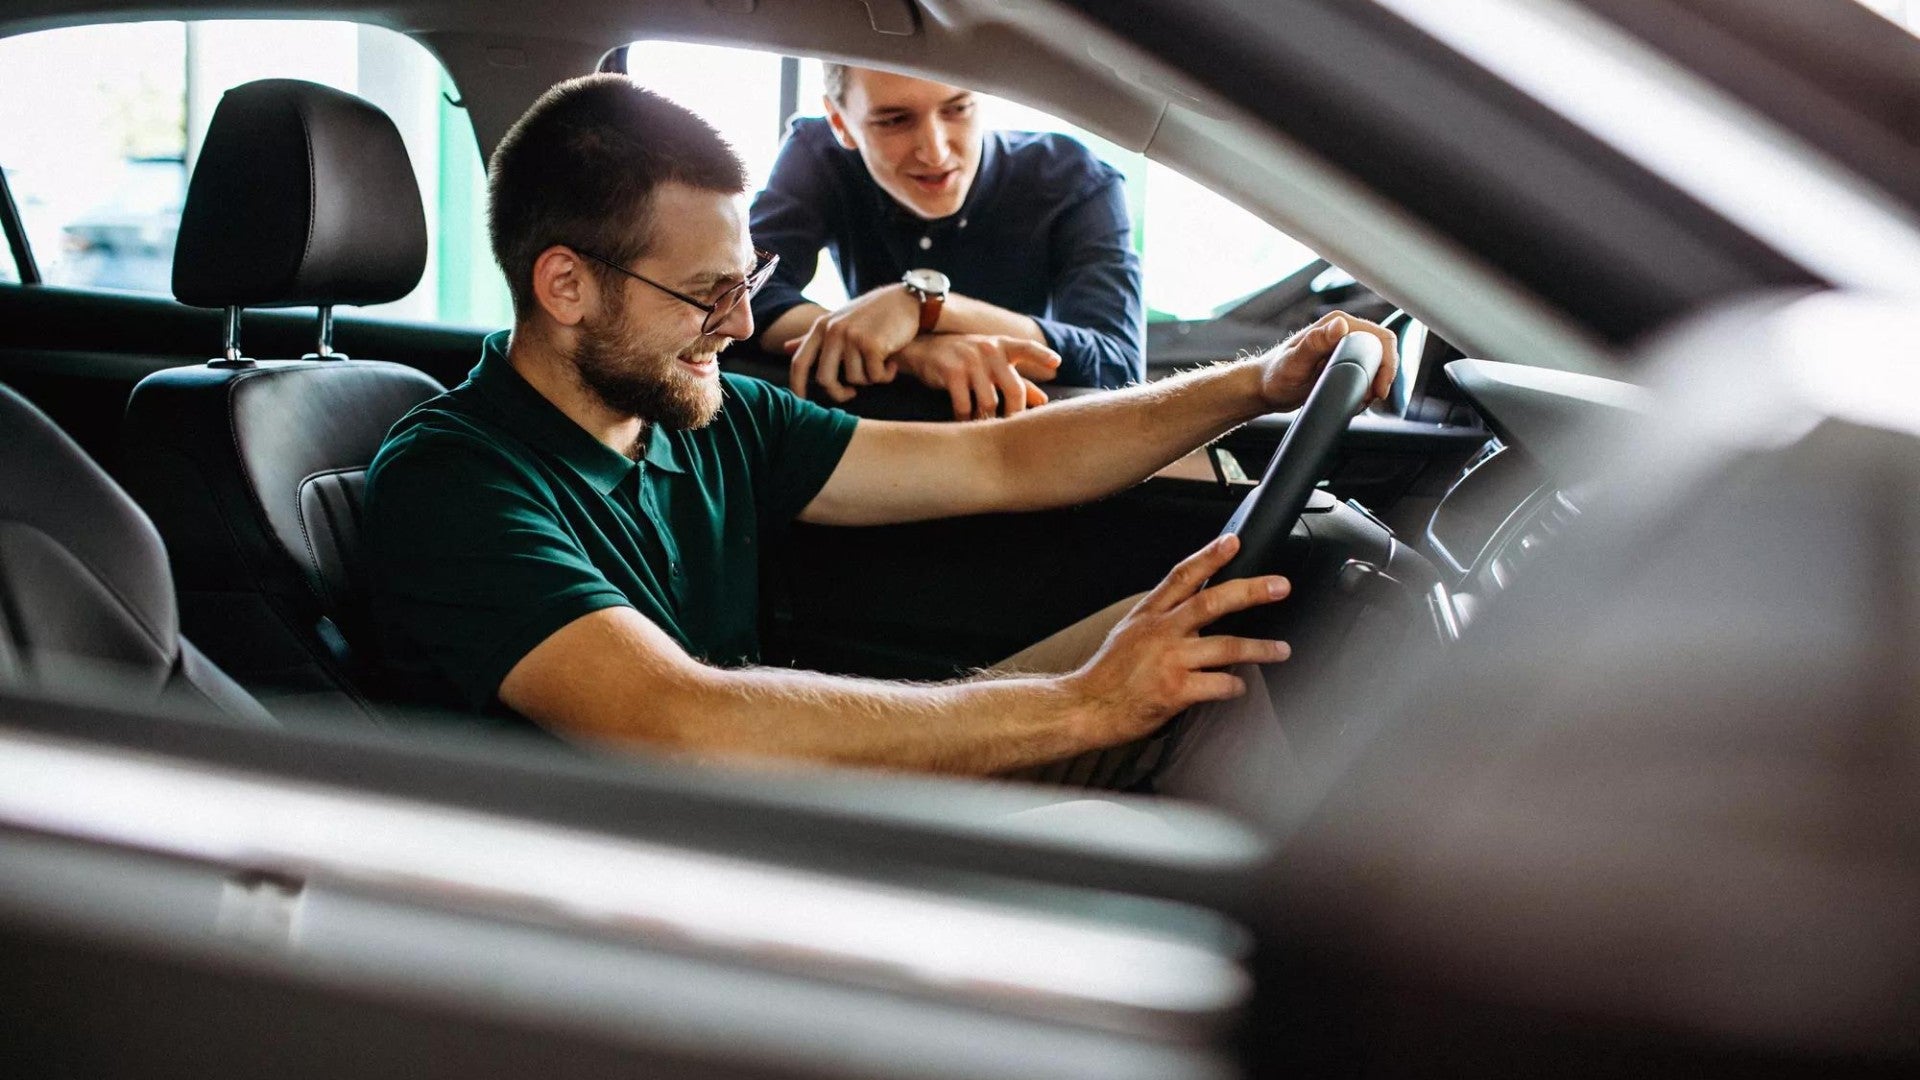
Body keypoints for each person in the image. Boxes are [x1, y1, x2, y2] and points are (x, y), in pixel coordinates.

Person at [363, 74, 1395, 781]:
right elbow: (677, 720)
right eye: (703, 295)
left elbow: (1001, 457)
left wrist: (1258, 382)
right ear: (565, 286)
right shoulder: (454, 479)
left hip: (786, 790)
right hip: (675, 861)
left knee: (1205, 638)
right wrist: (1085, 703)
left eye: (748, 286)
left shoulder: (700, 418)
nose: (738, 325)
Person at [748, 63, 1146, 420]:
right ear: (840, 122)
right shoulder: (818, 153)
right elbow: (739, 299)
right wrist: (911, 352)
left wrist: (925, 308)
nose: (935, 152)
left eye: (957, 109)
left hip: (1026, 437)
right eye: (894, 120)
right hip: (877, 431)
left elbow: (1119, 368)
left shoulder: (1076, 180)